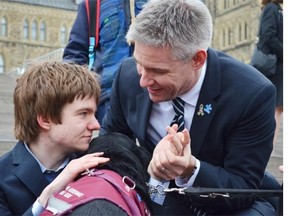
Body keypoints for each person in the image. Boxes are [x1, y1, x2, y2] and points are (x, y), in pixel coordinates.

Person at [100, 0, 280, 215]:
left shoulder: (251, 93)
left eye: (158, 71)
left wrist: (190, 170)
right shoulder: (128, 74)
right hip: (153, 197)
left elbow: (242, 187)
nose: (144, 81)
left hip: (222, 205)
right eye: (140, 64)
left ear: (197, 59)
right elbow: (110, 142)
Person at [0, 61, 110, 216]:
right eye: (83, 114)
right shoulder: (2, 177)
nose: (96, 125)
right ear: (45, 119)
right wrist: (48, 196)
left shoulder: (98, 166)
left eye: (94, 114)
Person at [63, 0, 148, 124]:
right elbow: (75, 56)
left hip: (153, 95)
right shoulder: (92, 5)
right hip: (107, 101)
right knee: (111, 142)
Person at [256, 0, 283, 145]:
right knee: (275, 108)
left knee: (277, 108)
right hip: (273, 66)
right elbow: (268, 36)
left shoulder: (276, 8)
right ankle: (266, 147)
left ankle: (268, 147)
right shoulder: (272, 8)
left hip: (277, 65)